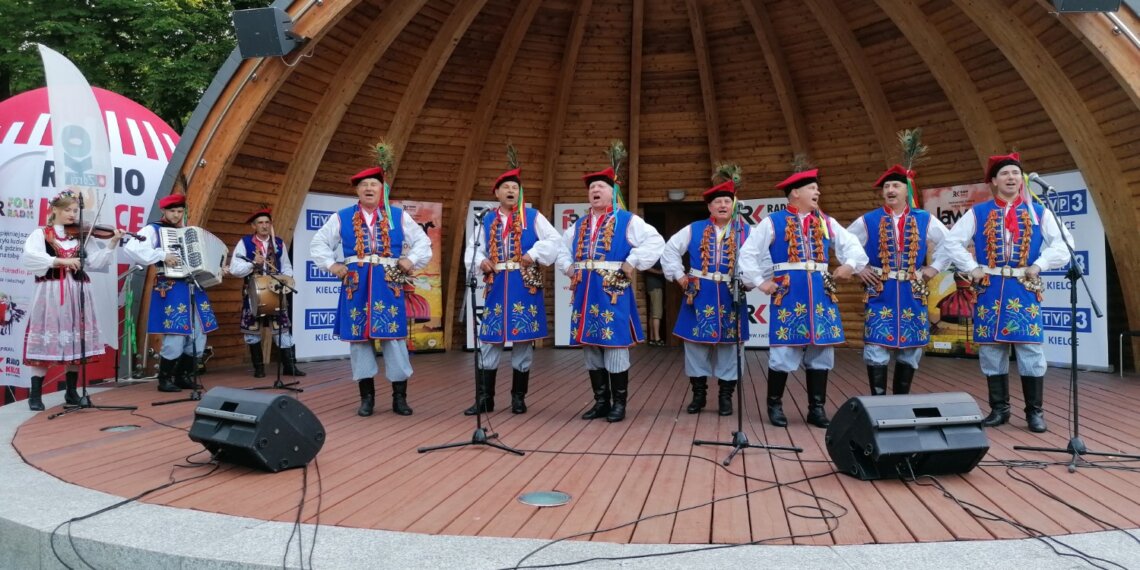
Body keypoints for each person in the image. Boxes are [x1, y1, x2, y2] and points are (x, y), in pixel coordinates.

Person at [941, 153, 1071, 433]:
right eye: (1005, 174)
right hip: (989, 289)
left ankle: (1034, 412)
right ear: (994, 181)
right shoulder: (979, 212)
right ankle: (999, 409)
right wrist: (972, 267)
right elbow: (952, 242)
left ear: (1022, 180)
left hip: (1023, 289)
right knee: (991, 350)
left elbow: (1063, 244)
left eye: (1015, 173)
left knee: (1030, 349)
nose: (1011, 177)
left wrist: (1040, 264)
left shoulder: (1038, 212)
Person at [739, 168, 867, 428]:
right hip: (789, 291)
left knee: (821, 349)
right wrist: (760, 281)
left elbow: (852, 245)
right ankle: (774, 405)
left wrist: (850, 264)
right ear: (795, 193)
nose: (817, 191)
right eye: (812, 188)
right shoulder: (773, 222)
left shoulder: (825, 221)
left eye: (817, 188)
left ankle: (816, 409)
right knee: (784, 350)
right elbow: (748, 253)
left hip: (821, 292)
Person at [310, 166, 432, 417]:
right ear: (357, 190)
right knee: (359, 342)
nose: (368, 188)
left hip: (388, 284)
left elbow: (423, 242)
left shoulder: (397, 216)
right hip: (356, 284)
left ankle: (400, 397)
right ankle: (367, 398)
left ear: (381, 190)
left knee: (395, 340)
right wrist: (332, 265)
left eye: (373, 184)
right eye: (363, 184)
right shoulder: (342, 216)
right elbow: (319, 242)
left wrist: (410, 260)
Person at [556, 166, 664, 423]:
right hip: (585, 291)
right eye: (592, 188)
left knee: (614, 344)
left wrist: (633, 261)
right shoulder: (579, 225)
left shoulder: (628, 220)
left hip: (612, 290)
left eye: (601, 187)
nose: (595, 190)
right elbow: (562, 250)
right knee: (591, 345)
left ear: (613, 193)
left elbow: (655, 241)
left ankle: (619, 404)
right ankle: (601, 402)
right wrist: (569, 267)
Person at [463, 167, 560, 415]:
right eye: (506, 188)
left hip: (523, 283)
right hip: (496, 284)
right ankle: (485, 398)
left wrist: (534, 253)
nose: (511, 191)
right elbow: (474, 250)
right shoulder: (486, 219)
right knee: (490, 341)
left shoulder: (533, 216)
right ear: (496, 193)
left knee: (523, 340)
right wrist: (480, 262)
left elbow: (553, 240)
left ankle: (518, 398)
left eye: (515, 188)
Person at [848, 164, 950, 396]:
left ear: (907, 191)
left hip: (912, 291)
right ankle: (878, 403)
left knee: (911, 347)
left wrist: (934, 267)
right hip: (880, 291)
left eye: (896, 185)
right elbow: (846, 244)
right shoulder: (869, 220)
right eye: (886, 186)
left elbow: (949, 243)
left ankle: (901, 401)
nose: (890, 190)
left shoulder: (924, 219)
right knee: (876, 343)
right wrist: (859, 267)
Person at [21, 191, 124, 410]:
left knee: (76, 341)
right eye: (67, 210)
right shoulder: (41, 234)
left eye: (75, 210)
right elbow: (30, 258)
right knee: (46, 340)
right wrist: (60, 260)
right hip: (50, 293)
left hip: (78, 291)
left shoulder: (81, 236)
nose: (72, 214)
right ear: (54, 210)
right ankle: (35, 395)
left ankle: (71, 392)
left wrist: (113, 242)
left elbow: (96, 262)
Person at [661, 178, 756, 415]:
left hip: (731, 294)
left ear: (733, 205)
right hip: (699, 295)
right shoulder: (694, 229)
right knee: (695, 346)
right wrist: (679, 276)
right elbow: (670, 250)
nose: (723, 205)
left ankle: (726, 397)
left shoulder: (746, 231)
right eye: (718, 202)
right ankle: (699, 396)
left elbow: (760, 258)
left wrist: (751, 281)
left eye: (727, 201)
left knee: (730, 349)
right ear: (709, 207)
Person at [124, 194, 218, 392]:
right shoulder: (153, 229)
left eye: (179, 211)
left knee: (198, 333)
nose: (176, 215)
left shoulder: (187, 232)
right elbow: (131, 248)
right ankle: (164, 379)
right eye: (172, 211)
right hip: (171, 286)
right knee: (176, 333)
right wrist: (162, 254)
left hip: (193, 286)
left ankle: (182, 376)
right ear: (164, 211)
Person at [228, 208, 305, 378]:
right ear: (254, 226)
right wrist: (252, 264)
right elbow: (234, 269)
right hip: (253, 292)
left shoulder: (278, 243)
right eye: (260, 223)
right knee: (252, 330)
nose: (264, 226)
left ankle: (289, 366)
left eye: (267, 222)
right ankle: (259, 368)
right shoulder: (245, 243)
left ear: (271, 225)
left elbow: (286, 266)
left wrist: (286, 279)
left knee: (282, 329)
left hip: (275, 290)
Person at [644, 261, 665, 347]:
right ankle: (657, 338)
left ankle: (652, 338)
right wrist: (659, 272)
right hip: (655, 286)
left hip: (652, 285)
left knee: (653, 313)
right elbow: (645, 266)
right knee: (657, 313)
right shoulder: (652, 255)